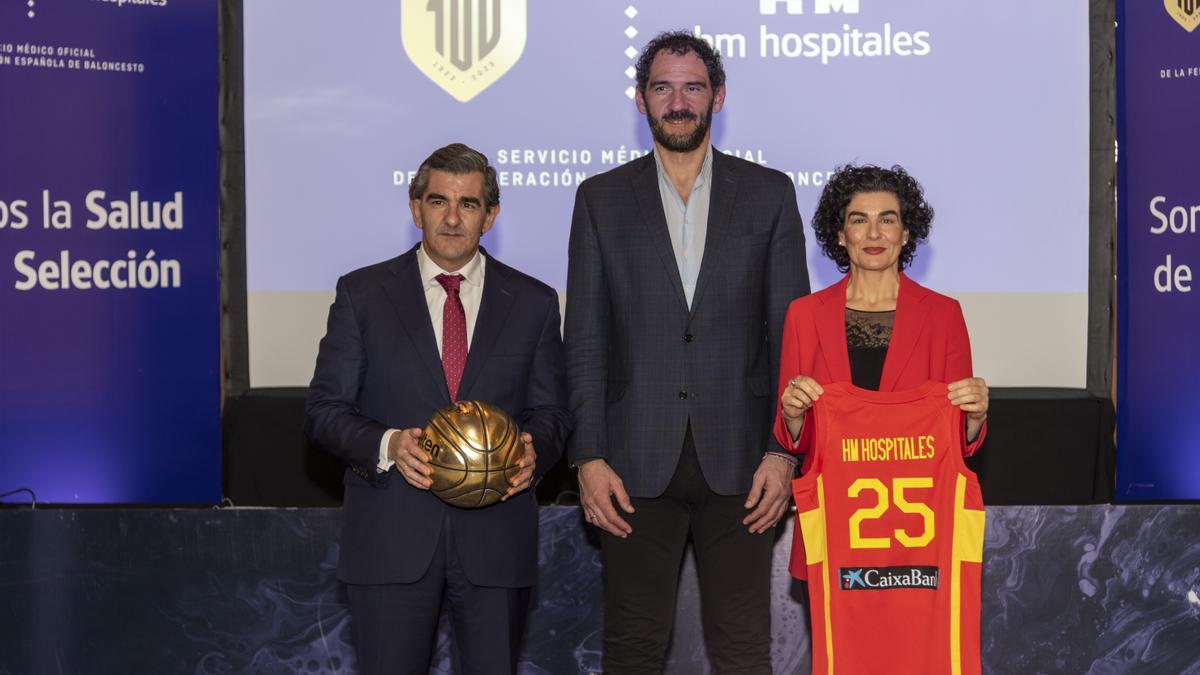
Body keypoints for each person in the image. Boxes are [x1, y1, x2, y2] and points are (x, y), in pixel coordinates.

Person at [564, 31, 810, 673]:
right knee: (633, 648)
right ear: (641, 100)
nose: (679, 101)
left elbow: (793, 336)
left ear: (718, 97)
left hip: (745, 464)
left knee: (743, 650)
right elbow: (585, 341)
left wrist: (784, 452)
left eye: (693, 87)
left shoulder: (769, 193)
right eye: (663, 87)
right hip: (630, 465)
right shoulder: (600, 199)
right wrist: (588, 457)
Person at [304, 143, 570, 675]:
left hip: (495, 545)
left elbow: (554, 413)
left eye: (469, 204)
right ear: (415, 208)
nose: (452, 217)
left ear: (490, 215)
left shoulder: (535, 303)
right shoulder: (363, 294)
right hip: (391, 540)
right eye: (438, 201)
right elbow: (324, 410)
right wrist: (389, 444)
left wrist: (532, 453)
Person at [775, 163, 989, 579]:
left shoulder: (944, 315)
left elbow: (958, 444)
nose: (874, 234)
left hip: (917, 529)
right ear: (840, 235)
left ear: (906, 233)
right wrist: (793, 416)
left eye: (887, 220)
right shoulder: (803, 316)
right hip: (834, 520)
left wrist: (976, 418)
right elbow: (796, 441)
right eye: (859, 220)